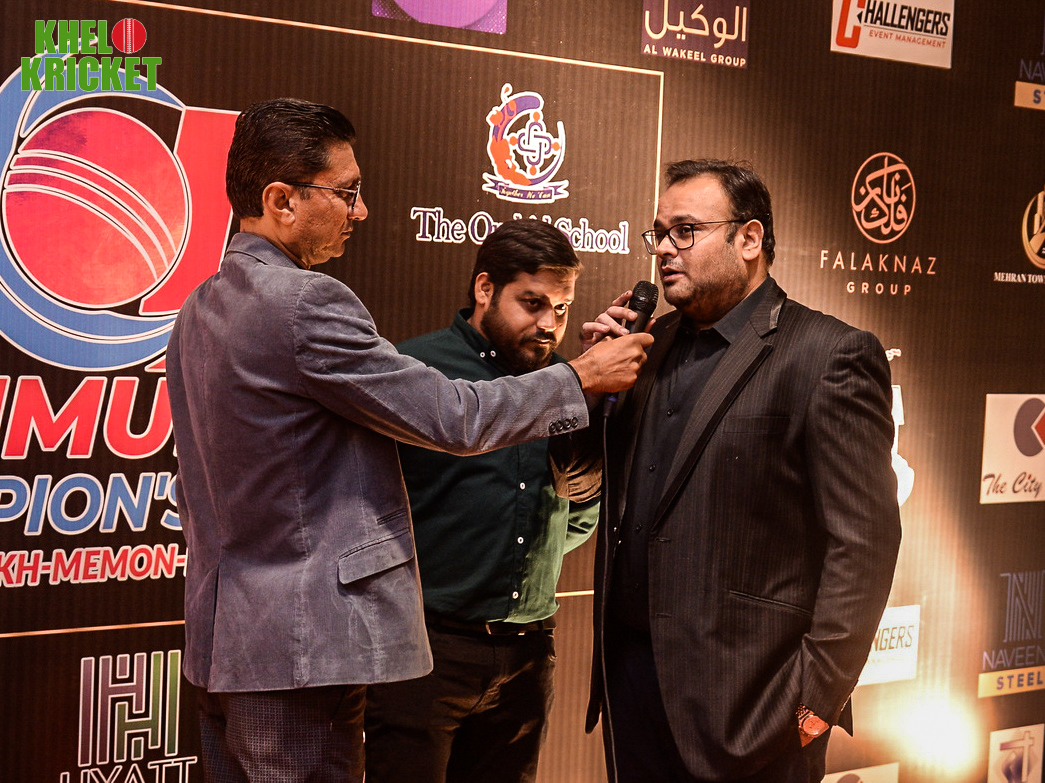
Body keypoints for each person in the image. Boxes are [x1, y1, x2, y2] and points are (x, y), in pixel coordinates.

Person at [165, 98, 652, 783]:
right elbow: (454, 417)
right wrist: (582, 376)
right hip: (303, 654)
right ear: (280, 200)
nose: (361, 211)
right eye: (346, 193)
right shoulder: (305, 302)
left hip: (227, 647)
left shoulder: (200, 304)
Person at [580, 159, 902, 783]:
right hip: (632, 683)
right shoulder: (643, 347)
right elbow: (582, 481)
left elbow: (864, 546)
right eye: (658, 234)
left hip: (752, 707)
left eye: (685, 231)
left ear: (749, 239)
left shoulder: (829, 355)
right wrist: (589, 387)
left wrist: (813, 705)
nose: (664, 250)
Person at [364, 219, 600, 783]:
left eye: (562, 308)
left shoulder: (568, 385)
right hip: (424, 652)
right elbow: (362, 511)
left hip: (529, 656)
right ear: (485, 289)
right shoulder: (413, 370)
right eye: (532, 303)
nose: (549, 324)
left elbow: (577, 516)